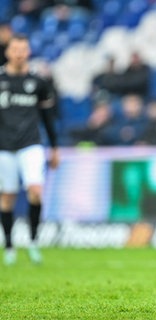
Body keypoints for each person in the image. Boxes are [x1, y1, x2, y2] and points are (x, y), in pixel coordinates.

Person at [0, 35, 59, 265]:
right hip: (4, 147)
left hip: (31, 144)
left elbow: (47, 118)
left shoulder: (38, 82)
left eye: (23, 49)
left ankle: (33, 242)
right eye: (15, 49)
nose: (19, 53)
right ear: (8, 52)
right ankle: (9, 246)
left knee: (35, 191)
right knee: (7, 198)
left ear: (29, 51)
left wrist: (54, 147)